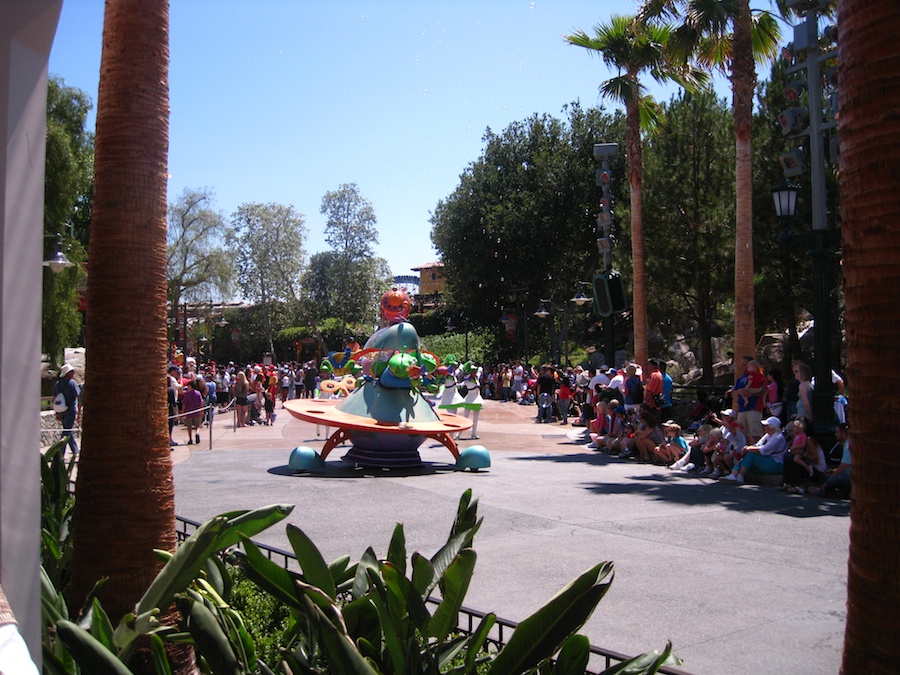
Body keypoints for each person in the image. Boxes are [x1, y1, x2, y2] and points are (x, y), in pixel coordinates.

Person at [720, 416, 788, 484]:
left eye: (766, 425)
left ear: (772, 427)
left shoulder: (778, 438)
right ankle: (734, 475)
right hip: (766, 461)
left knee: (751, 454)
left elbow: (764, 450)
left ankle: (740, 476)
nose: (764, 427)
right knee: (744, 453)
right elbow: (757, 445)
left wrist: (748, 449)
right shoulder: (767, 435)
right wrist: (747, 448)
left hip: (776, 464)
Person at [809, 423, 851, 498]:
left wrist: (833, 473)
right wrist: (833, 471)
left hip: (849, 476)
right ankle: (840, 492)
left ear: (843, 433)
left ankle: (822, 491)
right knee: (824, 476)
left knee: (833, 478)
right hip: (847, 473)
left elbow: (843, 467)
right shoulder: (845, 444)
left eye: (837, 432)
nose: (835, 434)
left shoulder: (848, 445)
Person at [53, 363, 81, 455]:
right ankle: (60, 451)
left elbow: (54, 398)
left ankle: (75, 450)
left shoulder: (57, 384)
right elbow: (78, 396)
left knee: (67, 429)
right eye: (72, 372)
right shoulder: (72, 383)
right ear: (68, 373)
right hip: (70, 410)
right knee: (67, 431)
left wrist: (56, 412)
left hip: (61, 410)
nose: (73, 373)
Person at [181, 378, 205, 445]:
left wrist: (183, 413)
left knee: (189, 427)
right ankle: (197, 433)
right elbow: (201, 403)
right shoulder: (198, 393)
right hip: (197, 412)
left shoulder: (187, 395)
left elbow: (184, 405)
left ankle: (190, 439)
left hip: (189, 413)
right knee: (197, 426)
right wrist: (202, 410)